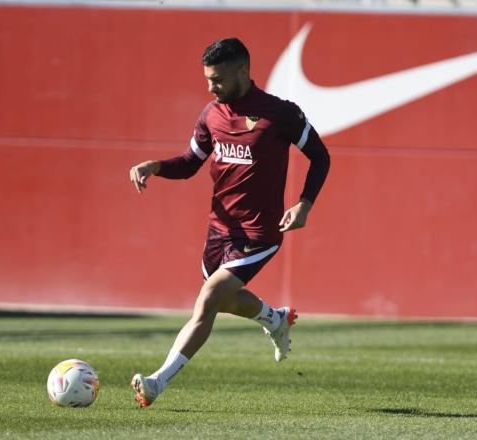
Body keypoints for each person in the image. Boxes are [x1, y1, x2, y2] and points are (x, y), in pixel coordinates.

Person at [128, 37, 330, 408]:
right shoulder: (211, 114)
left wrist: (304, 205)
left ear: (243, 71)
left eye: (218, 79)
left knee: (207, 301)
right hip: (218, 231)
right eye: (207, 78)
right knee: (225, 299)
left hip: (259, 232)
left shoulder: (280, 114)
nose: (211, 87)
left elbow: (320, 157)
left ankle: (157, 382)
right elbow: (190, 163)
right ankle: (275, 319)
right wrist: (155, 166)